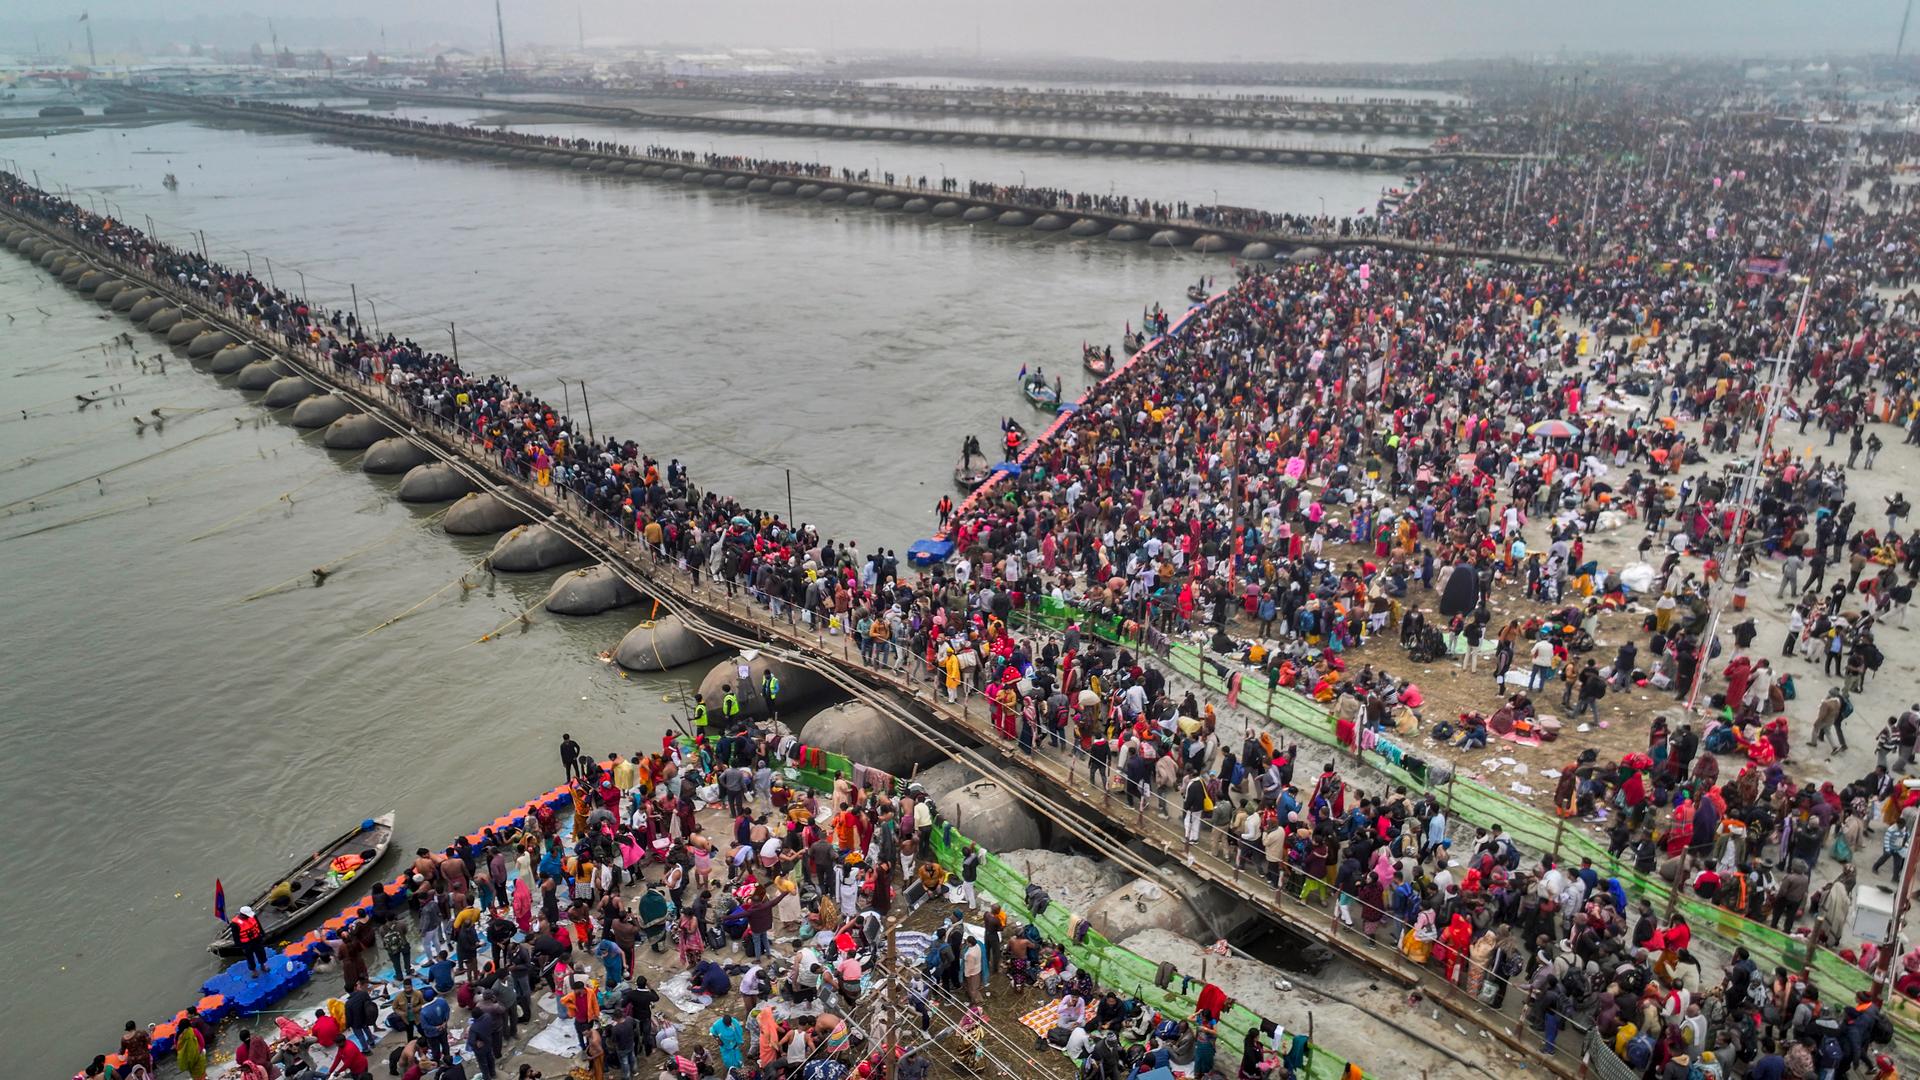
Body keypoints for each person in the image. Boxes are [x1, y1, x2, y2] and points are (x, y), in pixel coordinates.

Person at [228, 905, 270, 974]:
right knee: (249, 957)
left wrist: (262, 934)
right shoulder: (235, 924)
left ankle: (263, 965)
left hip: (257, 939)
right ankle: (253, 970)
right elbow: (235, 936)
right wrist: (240, 946)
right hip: (246, 943)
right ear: (242, 915)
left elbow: (258, 925)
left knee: (261, 953)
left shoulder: (253, 916)